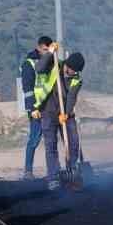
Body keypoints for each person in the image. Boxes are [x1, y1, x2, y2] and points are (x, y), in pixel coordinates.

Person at [33, 47, 85, 191]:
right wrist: (49, 52)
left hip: (65, 113)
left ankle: (72, 172)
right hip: (48, 110)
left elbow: (71, 97)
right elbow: (38, 68)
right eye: (74, 70)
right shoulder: (54, 64)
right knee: (51, 145)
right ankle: (53, 177)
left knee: (73, 142)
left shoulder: (76, 80)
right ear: (68, 66)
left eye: (77, 72)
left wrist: (67, 114)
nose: (75, 73)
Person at [20, 37, 56, 179]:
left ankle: (53, 171)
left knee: (51, 139)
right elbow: (27, 88)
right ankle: (28, 171)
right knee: (34, 139)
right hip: (36, 107)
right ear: (39, 48)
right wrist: (31, 108)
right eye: (45, 50)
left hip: (50, 106)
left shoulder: (51, 61)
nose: (47, 52)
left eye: (49, 50)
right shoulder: (29, 63)